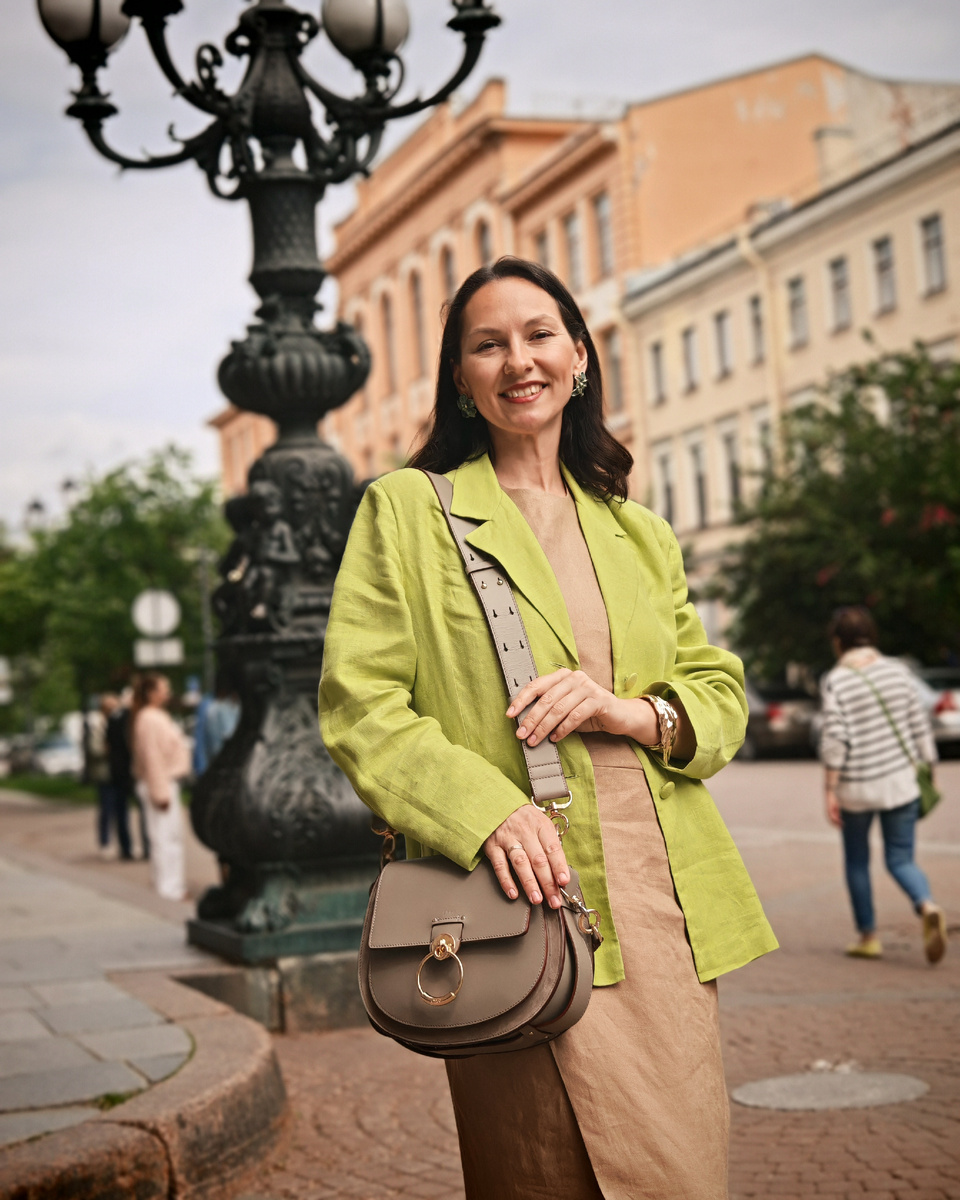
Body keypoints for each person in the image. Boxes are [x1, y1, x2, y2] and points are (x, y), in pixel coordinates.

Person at [319, 257, 778, 1199]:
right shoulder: (409, 511)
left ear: (579, 356)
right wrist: (485, 813)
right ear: (461, 378)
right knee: (539, 1172)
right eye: (487, 344)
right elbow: (361, 706)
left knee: (681, 1172)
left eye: (538, 336)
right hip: (515, 901)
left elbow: (717, 692)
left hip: (662, 904)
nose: (518, 361)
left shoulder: (637, 529)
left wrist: (629, 710)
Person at [820, 606, 946, 964]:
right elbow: (919, 724)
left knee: (857, 862)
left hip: (856, 789)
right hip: (900, 783)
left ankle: (868, 937)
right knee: (900, 858)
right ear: (872, 636)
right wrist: (929, 766)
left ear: (838, 642)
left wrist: (830, 789)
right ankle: (927, 905)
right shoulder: (898, 671)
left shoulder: (837, 680)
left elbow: (835, 739)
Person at [131, 672, 190, 902]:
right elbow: (152, 756)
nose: (168, 693)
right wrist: (160, 792)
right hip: (160, 782)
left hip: (165, 781)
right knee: (164, 838)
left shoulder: (155, 716)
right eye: (164, 689)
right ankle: (168, 888)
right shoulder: (149, 718)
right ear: (151, 693)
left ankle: (171, 885)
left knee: (170, 837)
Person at [90, 694, 133, 861]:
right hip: (106, 774)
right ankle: (105, 842)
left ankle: (125, 846)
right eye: (110, 707)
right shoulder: (98, 725)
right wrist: (110, 750)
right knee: (107, 809)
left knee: (122, 810)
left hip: (119, 773)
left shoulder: (120, 722)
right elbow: (95, 748)